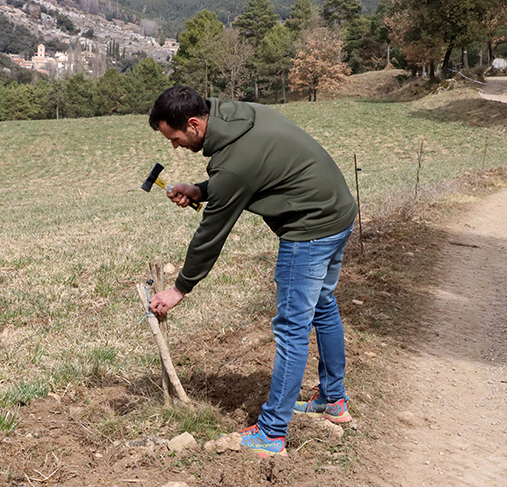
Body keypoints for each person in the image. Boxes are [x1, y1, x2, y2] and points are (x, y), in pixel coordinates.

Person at [147, 86, 358, 458]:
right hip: (336, 212)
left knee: (292, 326)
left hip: (308, 229)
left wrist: (180, 289)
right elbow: (246, 177)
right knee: (322, 305)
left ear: (194, 123)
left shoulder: (233, 161)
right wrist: (200, 189)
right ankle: (333, 401)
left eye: (176, 138)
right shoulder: (238, 114)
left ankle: (272, 433)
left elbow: (212, 231)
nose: (176, 147)